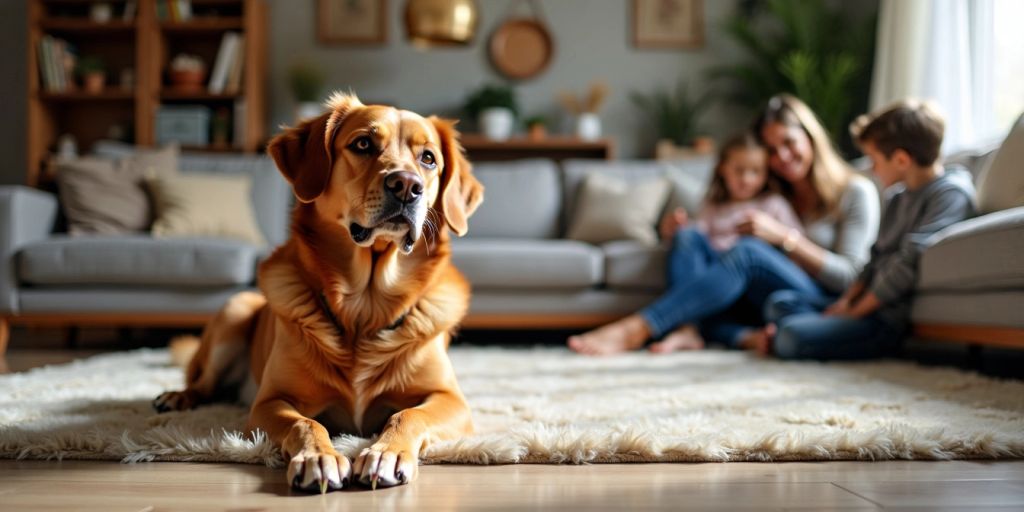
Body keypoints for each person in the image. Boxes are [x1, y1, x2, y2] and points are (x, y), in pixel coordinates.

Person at [568, 94, 880, 355]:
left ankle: (637, 328)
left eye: (789, 142)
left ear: (811, 137)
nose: (782, 156)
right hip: (759, 296)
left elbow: (850, 276)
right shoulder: (772, 191)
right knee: (692, 242)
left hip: (815, 298)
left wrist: (785, 239)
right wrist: (673, 234)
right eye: (771, 151)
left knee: (748, 251)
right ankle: (702, 330)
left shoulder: (854, 192)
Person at [764, 100, 976, 360]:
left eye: (874, 160)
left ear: (900, 159)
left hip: (885, 318)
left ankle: (794, 335)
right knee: (780, 303)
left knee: (790, 337)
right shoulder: (898, 196)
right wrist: (846, 302)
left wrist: (854, 313)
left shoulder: (950, 193)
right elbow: (876, 255)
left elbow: (906, 265)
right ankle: (804, 331)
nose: (871, 169)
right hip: (864, 305)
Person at [643, 132, 804, 352]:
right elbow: (694, 247)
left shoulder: (773, 204)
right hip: (715, 290)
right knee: (688, 237)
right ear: (722, 169)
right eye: (739, 171)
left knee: (739, 257)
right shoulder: (713, 206)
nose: (746, 179)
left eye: (755, 172)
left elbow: (797, 246)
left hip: (750, 289)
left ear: (766, 174)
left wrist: (774, 236)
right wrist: (674, 230)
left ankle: (740, 335)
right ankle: (691, 329)